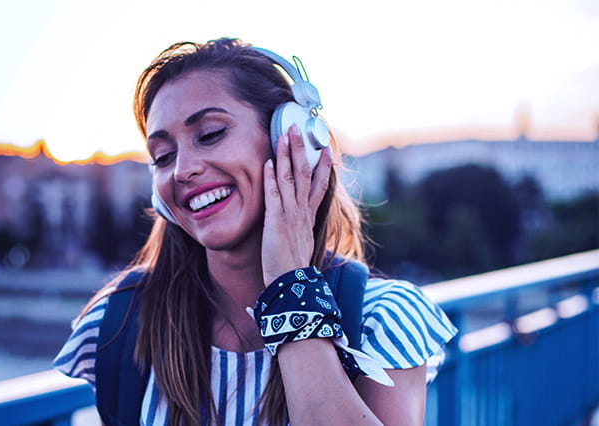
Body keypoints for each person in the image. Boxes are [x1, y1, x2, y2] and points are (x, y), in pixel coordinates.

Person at [54, 37, 457, 425]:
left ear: (291, 140)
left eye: (210, 135)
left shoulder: (383, 319)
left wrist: (290, 285)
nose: (182, 170)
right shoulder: (120, 324)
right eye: (163, 156)